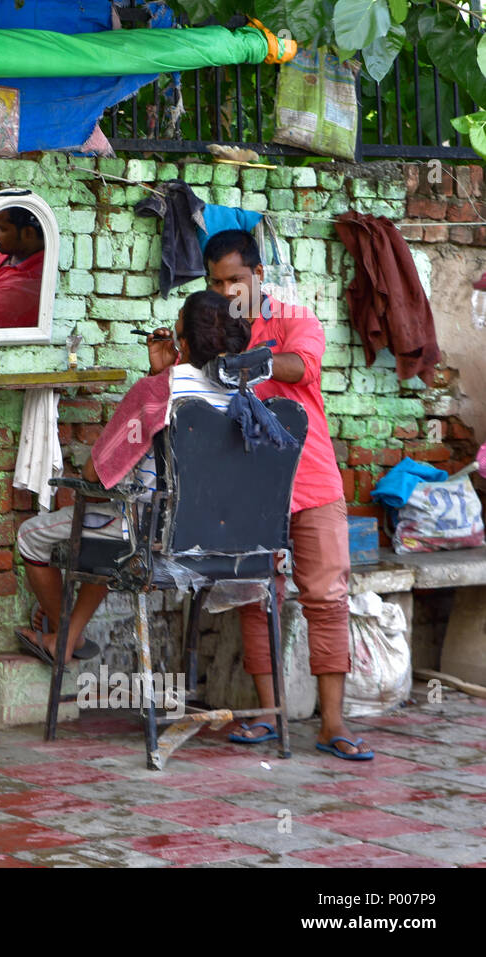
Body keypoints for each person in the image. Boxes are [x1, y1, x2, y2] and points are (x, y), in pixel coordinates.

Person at [196, 229, 371, 760]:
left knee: (326, 599)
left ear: (257, 276)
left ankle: (332, 724)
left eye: (235, 280)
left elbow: (303, 366)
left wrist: (251, 364)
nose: (226, 291)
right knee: (257, 598)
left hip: (312, 480)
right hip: (249, 489)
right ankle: (269, 716)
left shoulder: (296, 320)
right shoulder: (211, 331)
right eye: (216, 282)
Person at [16, 290, 250, 664]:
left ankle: (63, 635)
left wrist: (157, 381)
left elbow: (97, 472)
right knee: (113, 533)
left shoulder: (156, 392)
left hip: (152, 534)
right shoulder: (244, 393)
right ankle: (67, 637)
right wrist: (165, 372)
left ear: (183, 343)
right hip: (221, 537)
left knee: (31, 536)